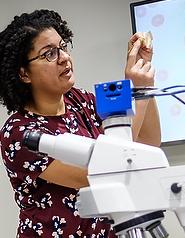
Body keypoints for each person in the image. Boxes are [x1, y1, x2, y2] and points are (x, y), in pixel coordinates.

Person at [0, 9, 160, 237]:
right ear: (24, 74)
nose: (64, 57)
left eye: (63, 47)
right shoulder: (19, 133)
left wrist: (144, 87)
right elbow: (104, 173)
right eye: (49, 54)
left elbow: (147, 142)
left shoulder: (81, 101)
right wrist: (134, 89)